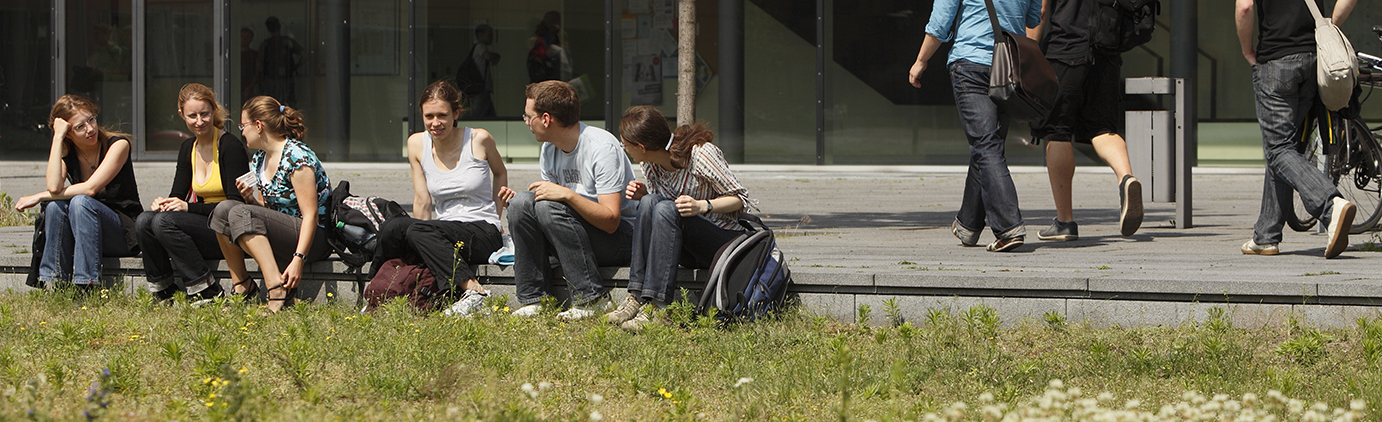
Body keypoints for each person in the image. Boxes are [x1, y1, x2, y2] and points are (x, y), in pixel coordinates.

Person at [608, 106, 758, 331]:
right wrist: (645, 195)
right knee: (650, 203)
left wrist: (703, 206)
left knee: (665, 209)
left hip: (723, 242)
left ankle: (659, 308)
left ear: (641, 147)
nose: (624, 149)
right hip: (686, 244)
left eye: (625, 144)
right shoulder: (649, 164)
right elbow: (665, 210)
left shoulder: (701, 154)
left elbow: (740, 199)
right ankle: (636, 297)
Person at [907, 0, 1041, 252]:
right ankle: (968, 225)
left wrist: (921, 61)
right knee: (988, 146)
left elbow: (940, 22)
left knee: (986, 146)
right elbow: (1033, 18)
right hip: (1008, 69)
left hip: (970, 65)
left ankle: (1009, 226)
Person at [371, 80, 510, 316]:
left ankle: (474, 291)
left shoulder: (479, 139)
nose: (435, 123)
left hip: (482, 231)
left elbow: (500, 172)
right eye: (429, 116)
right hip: (442, 230)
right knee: (394, 227)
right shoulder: (416, 144)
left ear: (456, 113)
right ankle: (374, 290)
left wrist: (496, 216)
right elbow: (422, 200)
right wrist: (419, 239)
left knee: (417, 231)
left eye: (442, 115)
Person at [1235, 0, 1357, 258]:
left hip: (1276, 62)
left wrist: (1247, 51)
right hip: (1313, 59)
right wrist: (1330, 25)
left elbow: (1245, 7)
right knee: (1283, 148)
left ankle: (1330, 206)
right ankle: (1266, 235)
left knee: (1279, 149)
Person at [509, 80, 635, 319]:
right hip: (573, 235)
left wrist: (568, 195)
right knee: (521, 203)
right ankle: (535, 299)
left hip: (620, 239)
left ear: (546, 119)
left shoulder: (602, 147)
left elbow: (611, 220)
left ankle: (591, 298)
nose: (526, 123)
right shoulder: (549, 148)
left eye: (528, 117)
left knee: (548, 206)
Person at [1029, 0, 1143, 241]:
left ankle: (1065, 222)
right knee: (1103, 129)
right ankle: (1126, 178)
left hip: (1066, 48)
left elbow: (1040, 9)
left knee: (1057, 131)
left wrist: (1029, 52)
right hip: (1107, 52)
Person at [211, 96, 332, 313]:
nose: (242, 131)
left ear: (259, 126)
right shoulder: (259, 158)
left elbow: (311, 215)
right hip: (288, 232)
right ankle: (242, 286)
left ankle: (276, 290)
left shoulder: (296, 157)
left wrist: (298, 260)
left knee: (238, 212)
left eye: (243, 125)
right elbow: (270, 211)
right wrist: (249, 200)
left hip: (314, 239)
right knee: (223, 210)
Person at [136, 83, 251, 303]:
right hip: (201, 223)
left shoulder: (230, 146)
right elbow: (177, 197)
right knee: (144, 220)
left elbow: (235, 206)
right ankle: (163, 289)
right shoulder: (187, 148)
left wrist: (188, 207)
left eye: (204, 114)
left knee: (163, 222)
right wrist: (164, 203)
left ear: (213, 111)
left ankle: (206, 289)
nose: (199, 121)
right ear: (182, 115)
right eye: (192, 116)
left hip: (227, 229)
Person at [14, 95, 142, 290]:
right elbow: (55, 187)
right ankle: (58, 284)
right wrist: (57, 138)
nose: (90, 129)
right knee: (55, 207)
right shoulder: (69, 154)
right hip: (83, 233)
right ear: (68, 134)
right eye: (80, 127)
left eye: (91, 119)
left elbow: (90, 188)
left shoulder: (118, 145)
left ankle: (86, 284)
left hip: (123, 233)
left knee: (80, 201)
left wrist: (38, 196)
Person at [456, 24, 500, 118]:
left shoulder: (478, 47)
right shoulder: (480, 46)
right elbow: (487, 56)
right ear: (480, 35)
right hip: (480, 87)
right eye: (489, 35)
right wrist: (496, 56)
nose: (491, 38)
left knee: (489, 114)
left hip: (483, 88)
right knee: (478, 114)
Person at [259, 16, 303, 106]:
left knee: (271, 106)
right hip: (286, 79)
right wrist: (295, 67)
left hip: (271, 80)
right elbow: (305, 56)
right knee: (288, 105)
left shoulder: (266, 44)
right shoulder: (287, 42)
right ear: (279, 26)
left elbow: (259, 65)